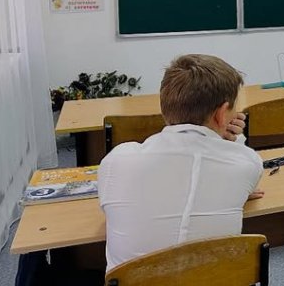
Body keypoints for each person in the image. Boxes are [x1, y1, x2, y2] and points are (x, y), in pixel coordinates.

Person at [97, 54, 264, 272]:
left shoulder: (116, 160)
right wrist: (231, 140)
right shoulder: (246, 163)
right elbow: (239, 169)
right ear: (222, 114)